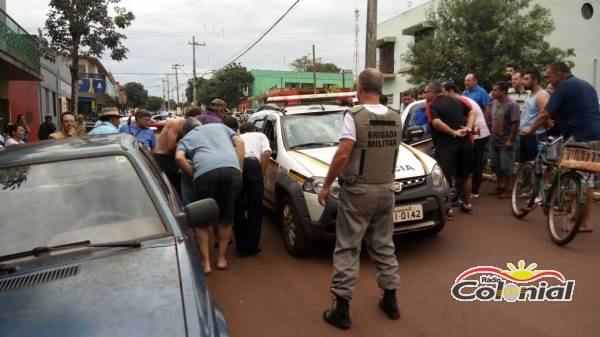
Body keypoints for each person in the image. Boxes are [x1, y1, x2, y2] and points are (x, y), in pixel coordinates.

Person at [316, 68, 401, 330]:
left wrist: (326, 185)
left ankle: (341, 309)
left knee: (348, 247)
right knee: (384, 245)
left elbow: (343, 154)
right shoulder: (396, 116)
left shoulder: (354, 115)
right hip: (386, 190)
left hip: (358, 192)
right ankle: (391, 300)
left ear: (360, 88)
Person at [523, 62, 600, 232]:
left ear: (559, 74)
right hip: (596, 136)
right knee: (588, 180)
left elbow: (545, 113)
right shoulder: (587, 86)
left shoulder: (564, 86)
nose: (548, 81)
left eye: (549, 76)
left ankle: (581, 220)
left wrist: (531, 129)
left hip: (578, 137)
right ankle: (582, 219)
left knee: (573, 177)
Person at [175, 117, 245, 274]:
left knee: (201, 221)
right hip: (231, 171)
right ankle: (220, 259)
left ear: (185, 131)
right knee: (226, 218)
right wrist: (239, 168)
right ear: (200, 125)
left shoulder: (185, 139)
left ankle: (206, 264)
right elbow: (240, 143)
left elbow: (179, 158)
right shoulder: (220, 127)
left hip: (204, 175)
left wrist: (193, 174)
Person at [427, 81, 475, 213]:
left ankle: (448, 209)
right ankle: (468, 205)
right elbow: (472, 112)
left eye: (426, 92)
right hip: (465, 143)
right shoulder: (457, 101)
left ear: (432, 92)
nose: (425, 95)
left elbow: (436, 123)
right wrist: (469, 128)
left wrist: (453, 132)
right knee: (466, 175)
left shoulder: (432, 105)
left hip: (446, 146)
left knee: (445, 178)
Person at [442, 82, 490, 198]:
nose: (443, 96)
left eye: (444, 93)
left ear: (451, 91)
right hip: (473, 132)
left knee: (475, 162)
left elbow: (468, 116)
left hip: (478, 134)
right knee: (469, 163)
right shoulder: (460, 100)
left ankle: (474, 190)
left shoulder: (461, 101)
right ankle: (466, 190)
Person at [234, 122, 271, 257]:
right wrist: (260, 174)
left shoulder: (238, 138)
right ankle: (250, 247)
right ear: (254, 129)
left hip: (236, 165)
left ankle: (240, 245)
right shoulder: (260, 135)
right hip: (252, 166)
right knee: (255, 207)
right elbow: (266, 154)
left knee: (237, 207)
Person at [154, 107, 202, 197]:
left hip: (174, 157)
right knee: (173, 186)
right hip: (163, 157)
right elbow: (171, 145)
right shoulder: (176, 123)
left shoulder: (190, 127)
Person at [489, 81, 520, 198]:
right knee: (495, 164)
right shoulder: (494, 104)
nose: (493, 92)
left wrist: (510, 140)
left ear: (503, 91)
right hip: (495, 139)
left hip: (507, 139)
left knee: (508, 165)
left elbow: (515, 123)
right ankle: (500, 186)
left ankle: (510, 189)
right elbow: (494, 120)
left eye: (496, 90)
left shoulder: (512, 105)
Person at [519, 70, 549, 163]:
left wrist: (532, 129)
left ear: (535, 81)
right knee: (524, 166)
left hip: (535, 136)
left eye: (526, 79)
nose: (523, 81)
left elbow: (545, 116)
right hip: (524, 135)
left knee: (535, 167)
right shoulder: (529, 93)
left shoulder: (541, 95)